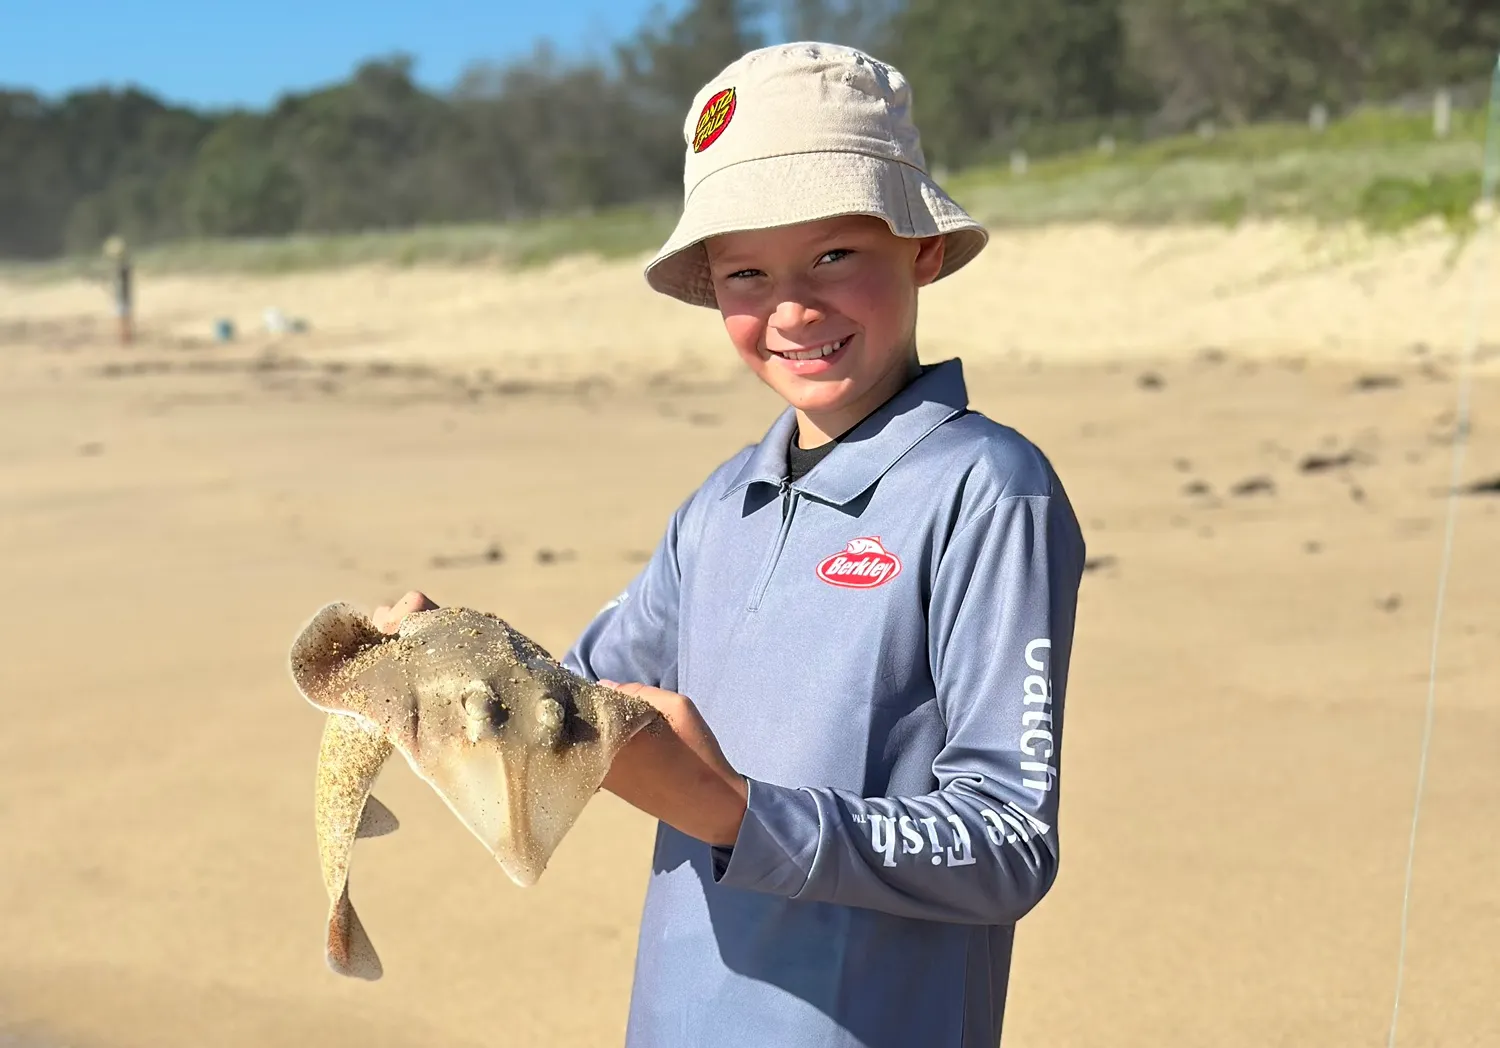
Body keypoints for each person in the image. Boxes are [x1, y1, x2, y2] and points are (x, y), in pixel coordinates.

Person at [374, 41, 1086, 1048]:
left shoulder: (987, 491)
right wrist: (451, 665)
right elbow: (566, 707)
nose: (793, 309)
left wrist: (737, 813)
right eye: (747, 272)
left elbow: (1008, 844)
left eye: (834, 255)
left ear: (922, 248)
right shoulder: (721, 506)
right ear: (711, 285)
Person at [103, 236, 133, 345]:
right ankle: (126, 338)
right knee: (124, 317)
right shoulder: (125, 267)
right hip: (124, 295)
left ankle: (125, 339)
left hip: (121, 296)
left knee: (121, 317)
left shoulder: (122, 268)